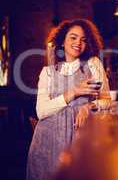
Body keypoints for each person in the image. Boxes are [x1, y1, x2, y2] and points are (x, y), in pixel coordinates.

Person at [26, 19, 110, 180]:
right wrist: (74, 92)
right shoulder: (48, 72)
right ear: (63, 41)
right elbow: (41, 112)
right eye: (73, 37)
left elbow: (107, 100)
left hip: (80, 140)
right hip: (47, 142)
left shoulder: (93, 64)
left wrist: (89, 106)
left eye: (83, 39)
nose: (78, 42)